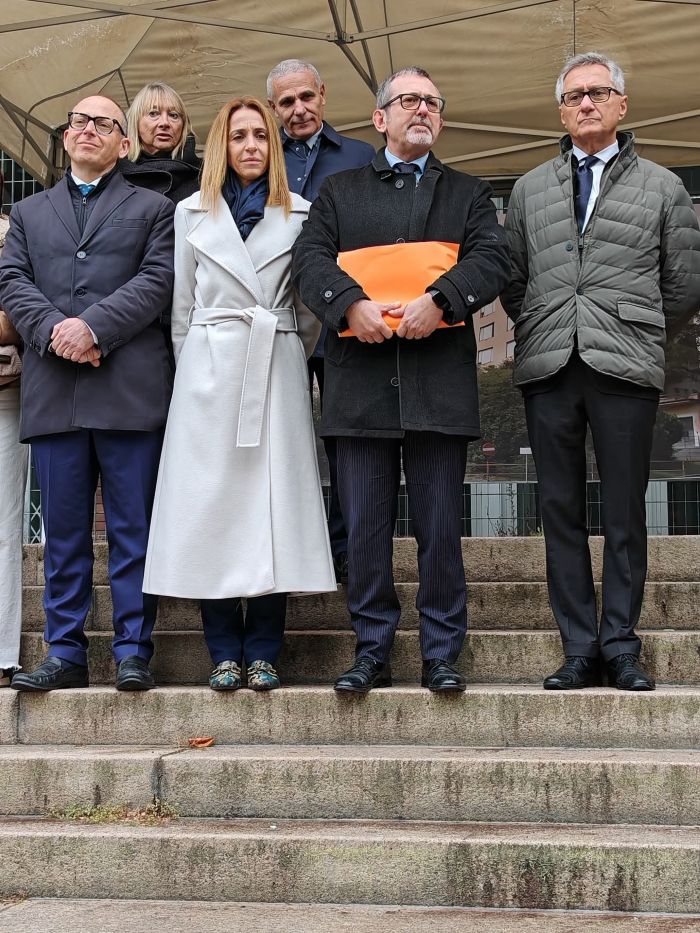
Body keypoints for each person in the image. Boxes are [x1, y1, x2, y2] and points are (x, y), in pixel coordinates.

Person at [292, 67, 510, 693]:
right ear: (379, 118)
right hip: (357, 381)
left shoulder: (468, 193)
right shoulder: (338, 191)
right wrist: (348, 305)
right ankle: (372, 649)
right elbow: (308, 258)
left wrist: (442, 300)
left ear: (440, 120)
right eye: (407, 100)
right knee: (364, 528)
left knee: (440, 527)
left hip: (436, 381)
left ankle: (441, 652)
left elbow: (493, 258)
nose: (421, 110)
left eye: (431, 102)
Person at [501, 52, 700, 692]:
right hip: (551, 361)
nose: (587, 103)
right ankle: (579, 648)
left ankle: (621, 645)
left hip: (625, 365)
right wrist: (545, 321)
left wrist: (635, 326)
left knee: (623, 512)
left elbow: (686, 282)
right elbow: (514, 279)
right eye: (575, 95)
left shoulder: (664, 186)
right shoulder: (529, 188)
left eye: (599, 92)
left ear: (622, 105)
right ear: (561, 109)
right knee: (558, 510)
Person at [143, 96, 336, 692]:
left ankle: (264, 652)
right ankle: (221, 649)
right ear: (220, 147)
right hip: (207, 371)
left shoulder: (301, 213)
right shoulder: (188, 214)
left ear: (273, 147)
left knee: (271, 509)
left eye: (260, 135)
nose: (250, 145)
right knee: (212, 508)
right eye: (238, 136)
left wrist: (280, 358)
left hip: (274, 364)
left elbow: (307, 318)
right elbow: (180, 311)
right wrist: (197, 370)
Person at [0, 95, 175, 692]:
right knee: (65, 536)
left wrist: (95, 327)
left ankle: (133, 648)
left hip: (128, 389)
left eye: (105, 123)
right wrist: (54, 331)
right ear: (66, 137)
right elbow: (12, 280)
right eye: (80, 121)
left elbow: (159, 279)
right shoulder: (28, 211)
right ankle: (65, 652)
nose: (90, 130)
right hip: (55, 392)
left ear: (125, 144)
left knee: (133, 529)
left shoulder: (155, 208)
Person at [267, 59, 375, 584]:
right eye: (286, 102)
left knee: (346, 441)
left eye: (305, 97)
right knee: (283, 439)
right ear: (274, 109)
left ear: (323, 96)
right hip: (279, 319)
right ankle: (292, 546)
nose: (298, 110)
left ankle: (346, 549)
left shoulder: (359, 156)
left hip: (343, 321)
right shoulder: (260, 157)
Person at [0, 175, 29, 687]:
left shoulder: (10, 232)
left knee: (4, 529)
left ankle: (3, 653)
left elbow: (11, 321)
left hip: (4, 395)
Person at [118, 82, 201, 205]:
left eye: (173, 115)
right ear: (136, 122)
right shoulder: (114, 175)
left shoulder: (205, 175)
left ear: (183, 126)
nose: (165, 123)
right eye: (153, 113)